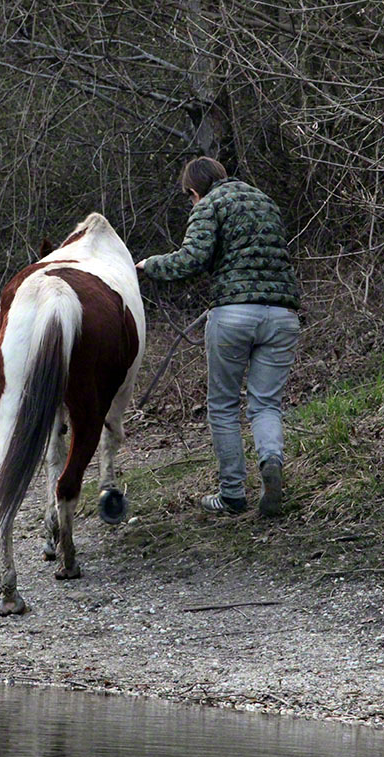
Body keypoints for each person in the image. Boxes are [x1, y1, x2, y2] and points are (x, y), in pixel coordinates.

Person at [135, 157, 300, 517]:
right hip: (283, 316)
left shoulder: (209, 205)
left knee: (223, 406)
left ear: (194, 191)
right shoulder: (263, 200)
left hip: (234, 315)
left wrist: (150, 266)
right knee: (266, 404)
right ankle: (271, 462)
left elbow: (192, 258)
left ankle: (232, 495)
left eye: (188, 197)